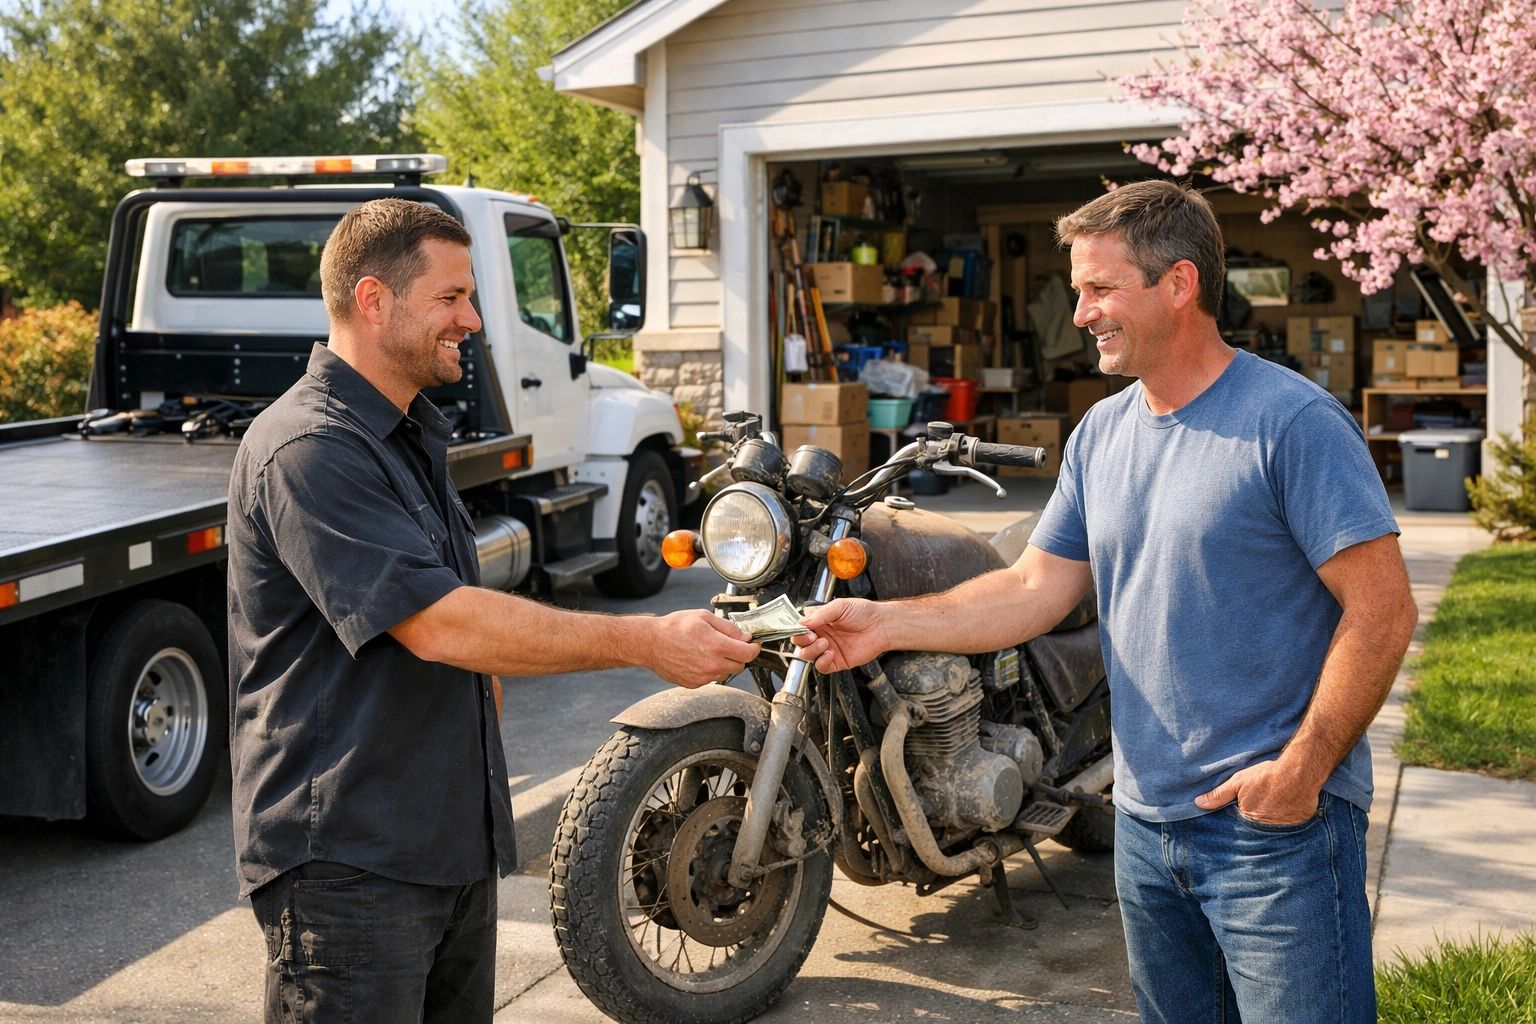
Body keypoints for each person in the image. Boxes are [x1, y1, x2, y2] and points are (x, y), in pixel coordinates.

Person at [793, 181, 1417, 1023]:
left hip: (1273, 832)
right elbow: (1033, 588)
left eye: (1100, 288)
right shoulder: (1102, 431)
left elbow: (1383, 611)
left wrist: (1302, 771)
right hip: (1146, 827)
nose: (1081, 313)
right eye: (1078, 289)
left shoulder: (1292, 423)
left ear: (1180, 284)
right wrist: (886, 624)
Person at [227, 197, 758, 1024]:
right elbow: (439, 622)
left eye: (469, 298)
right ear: (373, 300)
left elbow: (458, 625)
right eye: (450, 298)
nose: (472, 320)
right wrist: (648, 640)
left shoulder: (405, 433)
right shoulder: (310, 447)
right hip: (351, 867)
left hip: (446, 850)